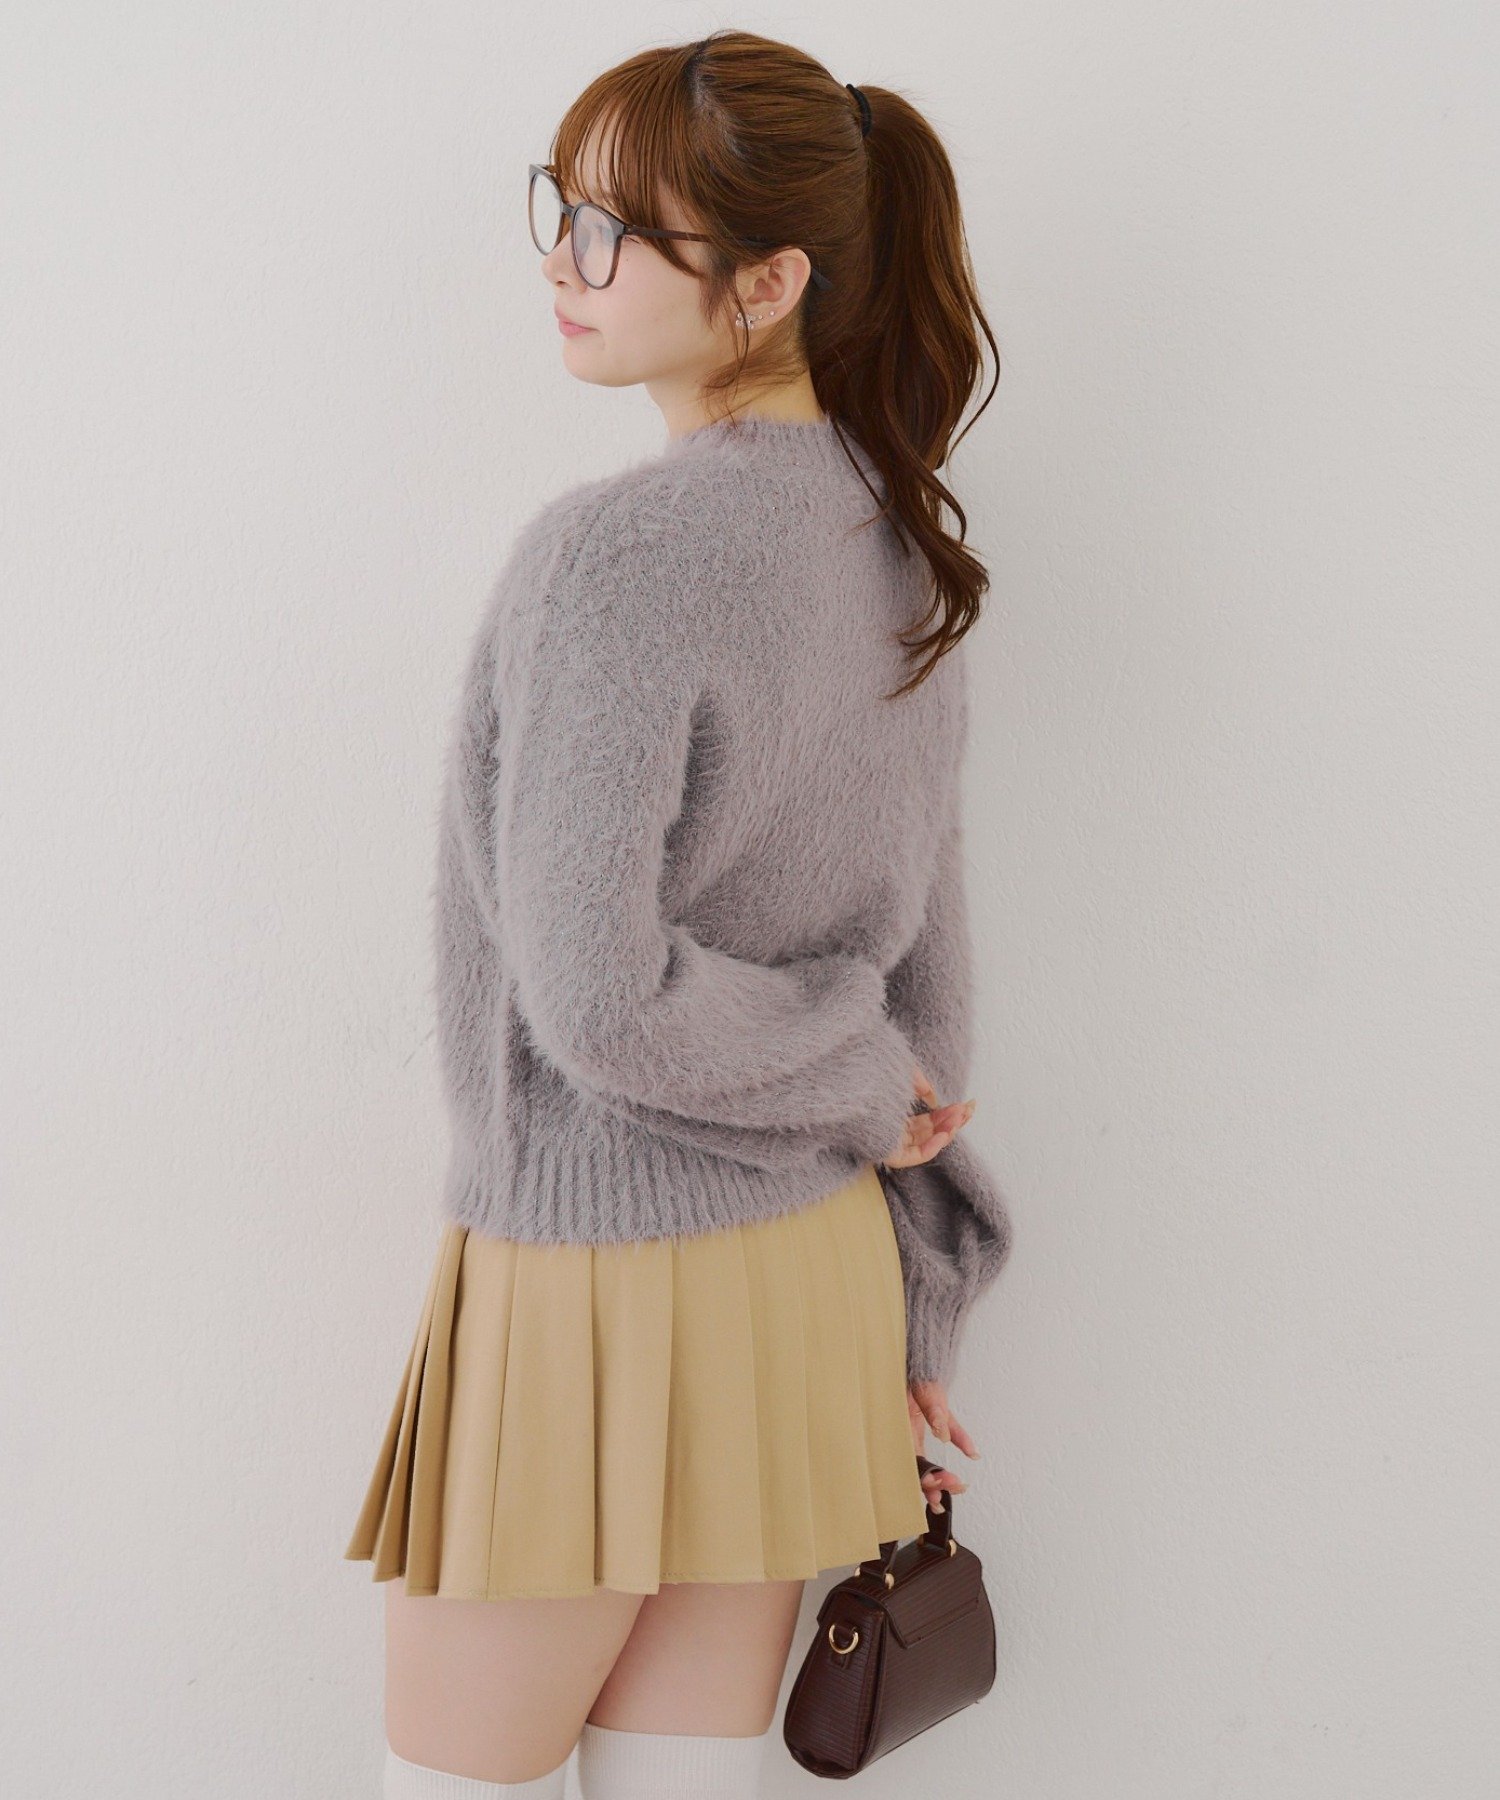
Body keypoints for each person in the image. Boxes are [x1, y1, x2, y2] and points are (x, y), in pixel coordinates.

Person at [343, 28, 1013, 1799]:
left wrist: (861, 1085)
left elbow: (601, 999)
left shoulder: (620, 555)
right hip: (810, 1278)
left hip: (595, 1271)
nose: (564, 264)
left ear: (769, 283)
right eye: (560, 211)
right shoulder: (898, 546)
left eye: (611, 232)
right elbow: (928, 1003)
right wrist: (915, 1308)